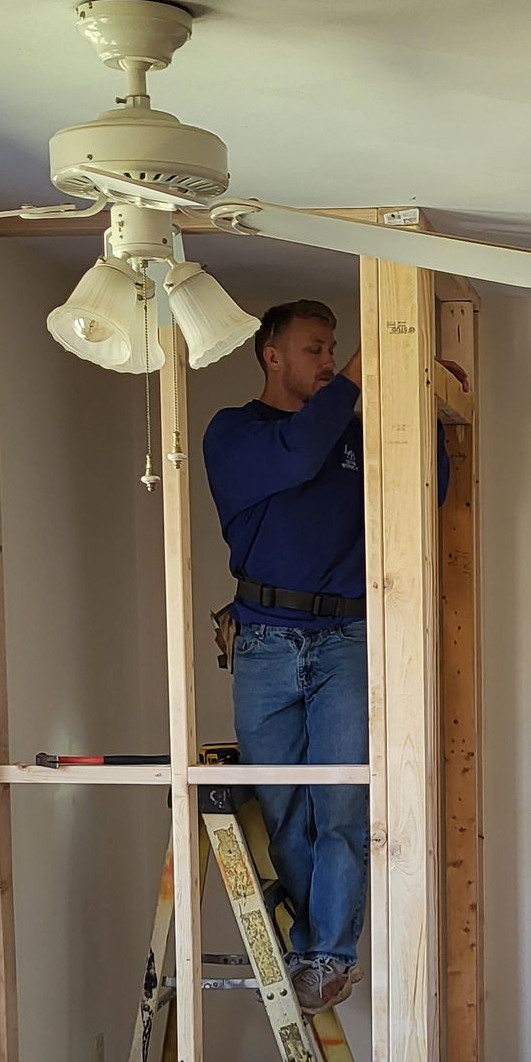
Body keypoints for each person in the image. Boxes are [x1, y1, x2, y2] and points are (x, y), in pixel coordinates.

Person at [201, 299, 370, 1014]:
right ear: (272, 356)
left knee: (342, 808)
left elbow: (434, 492)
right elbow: (301, 453)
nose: (328, 360)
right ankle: (313, 945)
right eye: (314, 349)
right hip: (265, 642)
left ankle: (327, 955)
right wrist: (355, 387)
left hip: (347, 640)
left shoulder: (351, 432)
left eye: (333, 349)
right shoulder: (237, 433)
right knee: (284, 809)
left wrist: (420, 414)